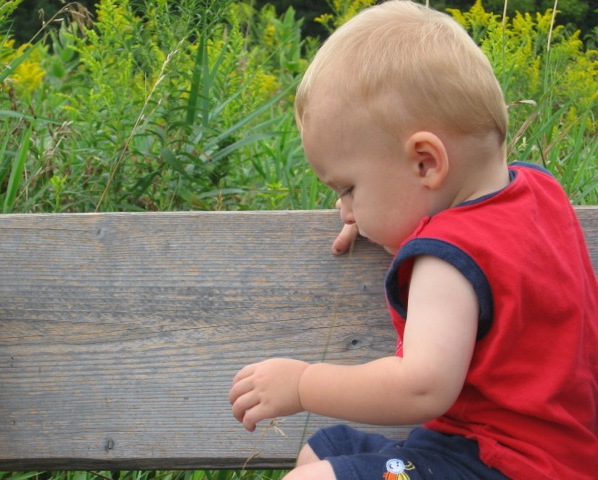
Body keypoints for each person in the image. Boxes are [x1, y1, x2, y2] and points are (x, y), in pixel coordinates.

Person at [229, 1, 598, 478]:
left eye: (349, 188)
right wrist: (374, 211)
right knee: (325, 450)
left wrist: (303, 384)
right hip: (523, 456)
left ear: (425, 162)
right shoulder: (539, 191)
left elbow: (421, 387)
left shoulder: (447, 260)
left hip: (501, 465)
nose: (346, 209)